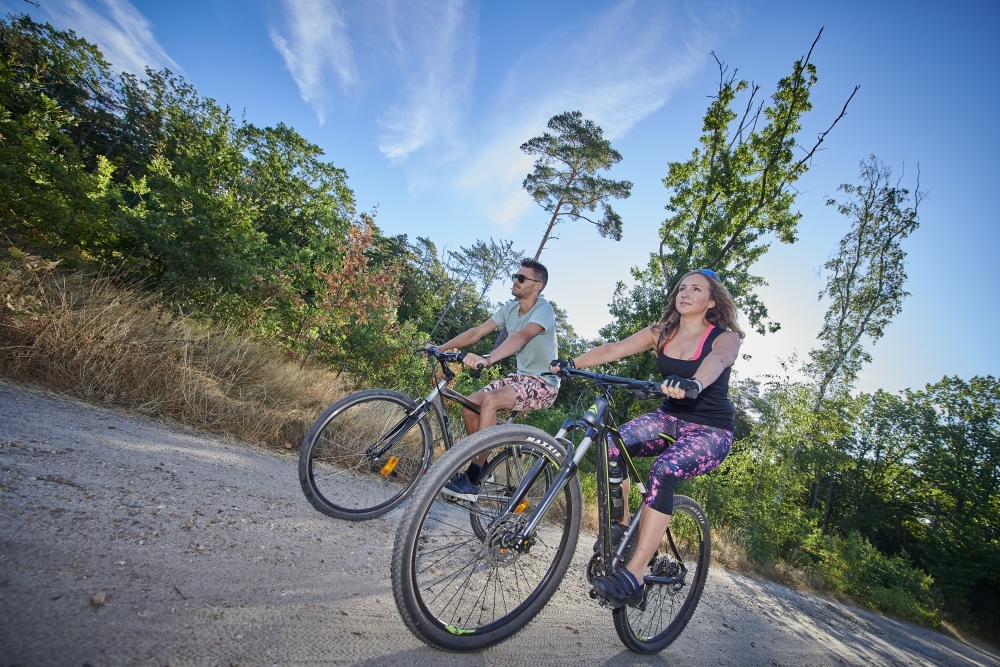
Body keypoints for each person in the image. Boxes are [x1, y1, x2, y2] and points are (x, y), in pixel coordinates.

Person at [550, 269, 743, 608]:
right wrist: (570, 363)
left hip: (711, 430)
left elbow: (718, 360)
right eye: (682, 288)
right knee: (611, 446)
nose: (685, 293)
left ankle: (635, 575)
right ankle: (623, 531)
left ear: (711, 301)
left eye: (695, 289)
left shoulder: (723, 337)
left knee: (664, 470)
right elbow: (614, 349)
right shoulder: (662, 332)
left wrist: (694, 384)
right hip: (667, 418)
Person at [431, 258, 560, 501]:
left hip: (544, 384)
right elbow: (477, 332)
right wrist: (441, 347)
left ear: (537, 285)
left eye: (522, 278)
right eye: (515, 276)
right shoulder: (509, 309)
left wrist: (487, 359)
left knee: (490, 401)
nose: (515, 281)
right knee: (470, 405)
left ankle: (473, 477)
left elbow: (521, 336)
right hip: (520, 378)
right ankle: (483, 465)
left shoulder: (544, 309)